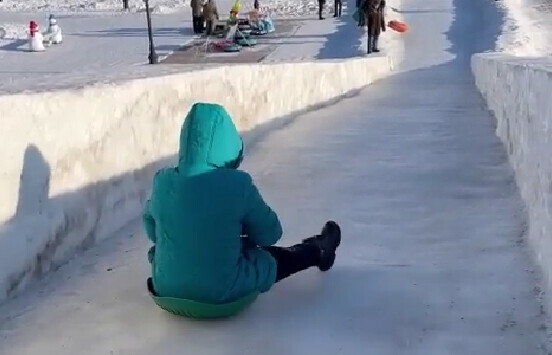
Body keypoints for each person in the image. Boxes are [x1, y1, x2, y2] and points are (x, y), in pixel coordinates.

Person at [143, 103, 341, 305]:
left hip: (166, 290)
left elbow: (151, 227)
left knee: (173, 252)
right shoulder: (238, 185)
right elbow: (270, 235)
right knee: (265, 261)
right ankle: (317, 251)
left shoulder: (163, 181)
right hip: (222, 294)